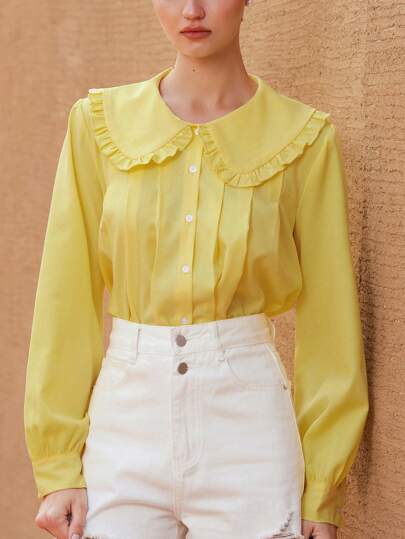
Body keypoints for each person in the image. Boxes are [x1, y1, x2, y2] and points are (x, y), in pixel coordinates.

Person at [23, 1, 369, 538]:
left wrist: (322, 487)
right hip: (123, 422)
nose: (192, 10)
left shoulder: (304, 137)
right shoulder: (97, 125)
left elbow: (330, 319)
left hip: (248, 428)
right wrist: (57, 462)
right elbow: (64, 297)